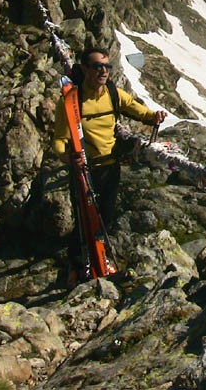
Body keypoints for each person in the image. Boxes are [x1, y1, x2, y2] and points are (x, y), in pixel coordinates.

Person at [52, 47, 167, 284]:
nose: (103, 71)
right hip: (84, 169)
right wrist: (68, 159)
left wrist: (153, 116)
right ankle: (75, 266)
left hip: (110, 166)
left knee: (105, 216)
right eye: (97, 66)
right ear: (84, 69)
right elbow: (59, 140)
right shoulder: (72, 100)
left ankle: (98, 261)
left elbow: (136, 108)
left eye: (107, 66)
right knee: (84, 219)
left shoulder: (113, 93)